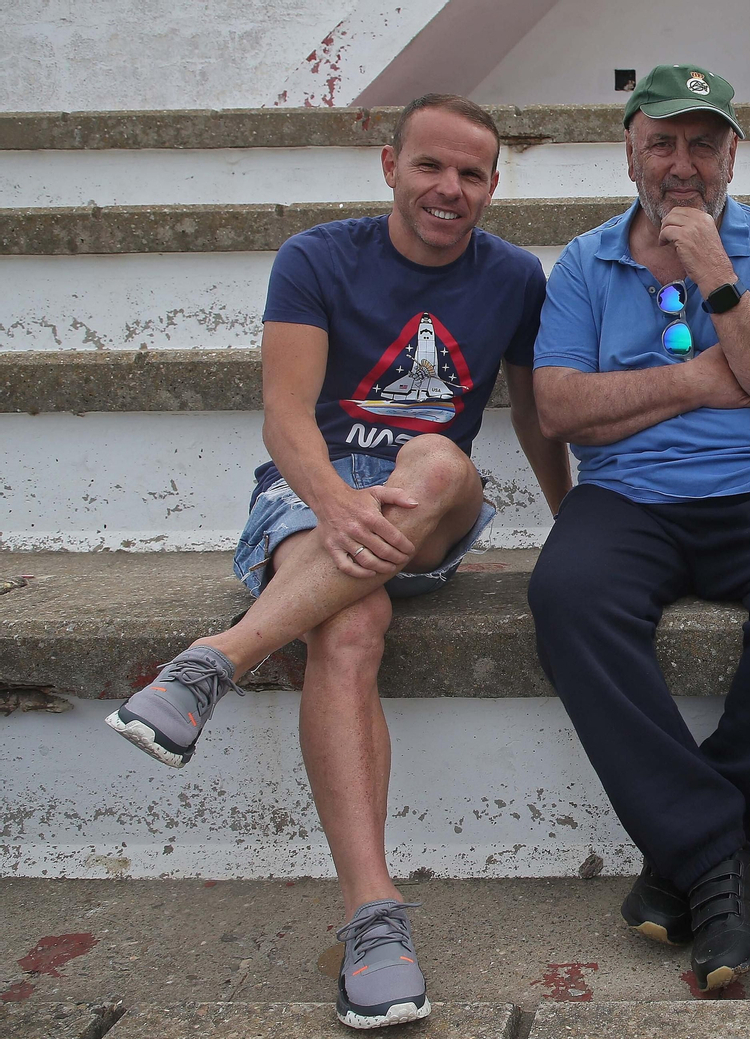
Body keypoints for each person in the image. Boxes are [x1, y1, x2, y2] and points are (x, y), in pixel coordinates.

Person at [106, 94, 572, 1030]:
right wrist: (333, 503)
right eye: (432, 166)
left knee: (442, 455)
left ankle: (215, 660)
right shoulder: (317, 257)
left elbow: (533, 413)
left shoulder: (517, 276)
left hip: (429, 500)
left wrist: (575, 521)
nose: (450, 188)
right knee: (351, 620)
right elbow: (286, 418)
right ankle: (374, 919)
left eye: (472, 174)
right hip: (309, 487)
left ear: (493, 184)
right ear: (390, 163)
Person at [526, 64, 750, 993]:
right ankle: (725, 868)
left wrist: (716, 272)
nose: (681, 164)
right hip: (630, 497)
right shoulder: (583, 262)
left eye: (701, 143)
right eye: (662, 143)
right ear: (631, 152)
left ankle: (689, 859)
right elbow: (560, 406)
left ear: (732, 152)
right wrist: (695, 381)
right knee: (567, 593)